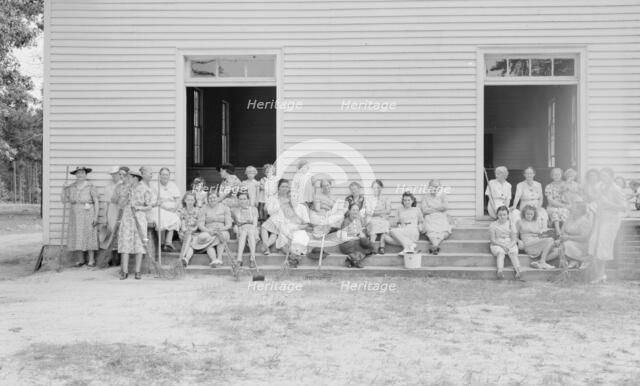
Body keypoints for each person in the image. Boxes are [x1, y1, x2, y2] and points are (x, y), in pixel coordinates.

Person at [588, 168, 627, 283]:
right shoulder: (600, 186)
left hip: (611, 221)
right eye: (602, 176)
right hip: (600, 218)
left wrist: (607, 203)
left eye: (605, 176)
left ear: (611, 176)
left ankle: (600, 275)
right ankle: (598, 274)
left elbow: (623, 207)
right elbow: (596, 198)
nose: (603, 178)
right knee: (593, 243)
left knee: (603, 247)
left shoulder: (616, 189)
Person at [260, 179, 310, 265]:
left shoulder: (290, 197)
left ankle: (266, 246)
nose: (285, 188)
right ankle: (266, 246)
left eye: (286, 186)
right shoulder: (274, 197)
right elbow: (267, 209)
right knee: (267, 229)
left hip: (283, 221)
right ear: (278, 188)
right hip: (275, 218)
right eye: (283, 186)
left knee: (272, 231)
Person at [61, 166, 100, 267]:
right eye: (78, 173)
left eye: (82, 173)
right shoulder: (71, 187)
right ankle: (80, 259)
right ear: (75, 174)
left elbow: (96, 201)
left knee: (89, 234)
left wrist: (96, 216)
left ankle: (91, 260)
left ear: (85, 174)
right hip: (75, 214)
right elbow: (64, 200)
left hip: (88, 212)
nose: (80, 175)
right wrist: (63, 188)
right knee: (77, 234)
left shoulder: (91, 186)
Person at [117, 170, 152, 280]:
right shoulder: (126, 188)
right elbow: (121, 205)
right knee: (125, 242)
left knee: (139, 244)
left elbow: (149, 206)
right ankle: (125, 271)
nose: (128, 179)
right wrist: (126, 195)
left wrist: (139, 208)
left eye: (129, 177)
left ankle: (138, 271)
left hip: (139, 217)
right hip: (127, 217)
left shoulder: (145, 189)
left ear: (135, 178)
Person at [195, 190, 232, 267]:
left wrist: (221, 229)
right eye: (210, 198)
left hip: (222, 230)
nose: (212, 199)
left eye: (214, 197)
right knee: (206, 237)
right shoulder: (203, 208)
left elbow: (229, 224)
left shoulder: (225, 208)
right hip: (209, 231)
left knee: (221, 236)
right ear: (207, 199)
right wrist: (209, 231)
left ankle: (219, 258)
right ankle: (214, 260)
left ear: (218, 198)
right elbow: (200, 224)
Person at [515, 205, 557, 270]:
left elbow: (540, 234)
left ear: (534, 214)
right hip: (528, 243)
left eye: (531, 214)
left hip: (537, 241)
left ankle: (537, 262)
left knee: (557, 251)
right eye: (527, 214)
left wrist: (545, 235)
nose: (529, 216)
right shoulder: (520, 222)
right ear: (524, 213)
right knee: (550, 240)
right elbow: (514, 235)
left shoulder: (536, 222)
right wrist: (518, 241)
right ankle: (542, 262)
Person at [556, 200, 593, 269]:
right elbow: (562, 231)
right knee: (560, 245)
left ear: (580, 210)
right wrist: (562, 237)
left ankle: (581, 259)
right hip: (567, 240)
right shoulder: (570, 218)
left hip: (581, 244)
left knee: (567, 245)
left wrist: (568, 237)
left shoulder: (585, 221)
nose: (571, 209)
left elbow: (584, 238)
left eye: (574, 208)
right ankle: (574, 261)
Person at [420, 179, 452, 255]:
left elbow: (445, 207)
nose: (435, 188)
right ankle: (436, 245)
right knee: (431, 231)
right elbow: (424, 211)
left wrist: (431, 208)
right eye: (433, 186)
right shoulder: (425, 197)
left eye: (437, 186)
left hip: (441, 217)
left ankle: (434, 245)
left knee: (444, 231)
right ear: (429, 187)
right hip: (430, 218)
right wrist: (438, 209)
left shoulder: (443, 196)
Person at [489, 206, 522, 280]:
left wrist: (509, 246)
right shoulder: (493, 225)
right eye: (500, 215)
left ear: (507, 215)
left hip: (509, 242)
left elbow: (514, 239)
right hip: (497, 243)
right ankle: (500, 271)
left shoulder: (511, 224)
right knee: (500, 253)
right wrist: (503, 246)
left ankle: (518, 271)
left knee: (513, 253)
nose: (502, 217)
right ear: (497, 215)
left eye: (504, 215)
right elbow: (492, 240)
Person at [338, 203, 374, 268]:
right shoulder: (346, 221)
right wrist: (355, 237)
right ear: (349, 211)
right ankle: (356, 261)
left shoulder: (358, 220)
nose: (355, 212)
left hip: (356, 242)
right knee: (357, 244)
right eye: (353, 210)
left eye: (357, 210)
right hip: (347, 244)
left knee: (366, 243)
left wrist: (362, 235)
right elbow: (343, 238)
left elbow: (361, 231)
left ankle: (350, 260)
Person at [154, 167, 182, 252]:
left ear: (169, 176)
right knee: (162, 219)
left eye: (166, 175)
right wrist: (166, 208)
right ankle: (162, 243)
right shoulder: (155, 186)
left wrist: (174, 208)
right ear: (159, 175)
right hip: (161, 208)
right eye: (163, 174)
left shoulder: (172, 185)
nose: (164, 176)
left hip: (172, 209)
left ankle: (168, 242)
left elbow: (178, 199)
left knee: (175, 218)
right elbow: (156, 201)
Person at [232, 191, 260, 268]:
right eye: (240, 199)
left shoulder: (254, 209)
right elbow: (238, 223)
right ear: (238, 200)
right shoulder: (235, 210)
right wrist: (244, 225)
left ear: (248, 200)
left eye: (244, 199)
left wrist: (248, 225)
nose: (242, 201)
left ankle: (250, 258)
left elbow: (254, 223)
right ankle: (240, 259)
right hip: (240, 228)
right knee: (244, 232)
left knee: (250, 232)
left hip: (252, 228)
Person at [365, 179, 391, 254]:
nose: (377, 189)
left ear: (381, 188)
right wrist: (381, 212)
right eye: (375, 188)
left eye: (378, 187)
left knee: (385, 223)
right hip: (372, 218)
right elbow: (368, 212)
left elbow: (388, 210)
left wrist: (376, 212)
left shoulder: (386, 198)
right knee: (372, 223)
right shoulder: (369, 199)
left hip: (383, 218)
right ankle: (372, 246)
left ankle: (382, 247)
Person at [545, 168, 570, 236]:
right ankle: (558, 231)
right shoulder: (549, 186)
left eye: (558, 174)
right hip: (553, 206)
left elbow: (569, 198)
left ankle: (563, 231)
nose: (556, 176)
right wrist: (564, 205)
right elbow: (550, 201)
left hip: (565, 205)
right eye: (554, 174)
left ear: (561, 175)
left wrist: (565, 191)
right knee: (555, 210)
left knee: (564, 211)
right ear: (552, 176)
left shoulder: (566, 185)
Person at [177, 192, 200, 267]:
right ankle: (184, 259)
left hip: (195, 232)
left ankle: (184, 258)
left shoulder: (198, 210)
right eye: (188, 200)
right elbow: (182, 222)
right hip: (184, 232)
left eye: (192, 200)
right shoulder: (181, 210)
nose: (190, 202)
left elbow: (199, 223)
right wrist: (185, 230)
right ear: (184, 200)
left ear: (194, 201)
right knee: (190, 240)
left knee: (192, 243)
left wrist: (193, 229)